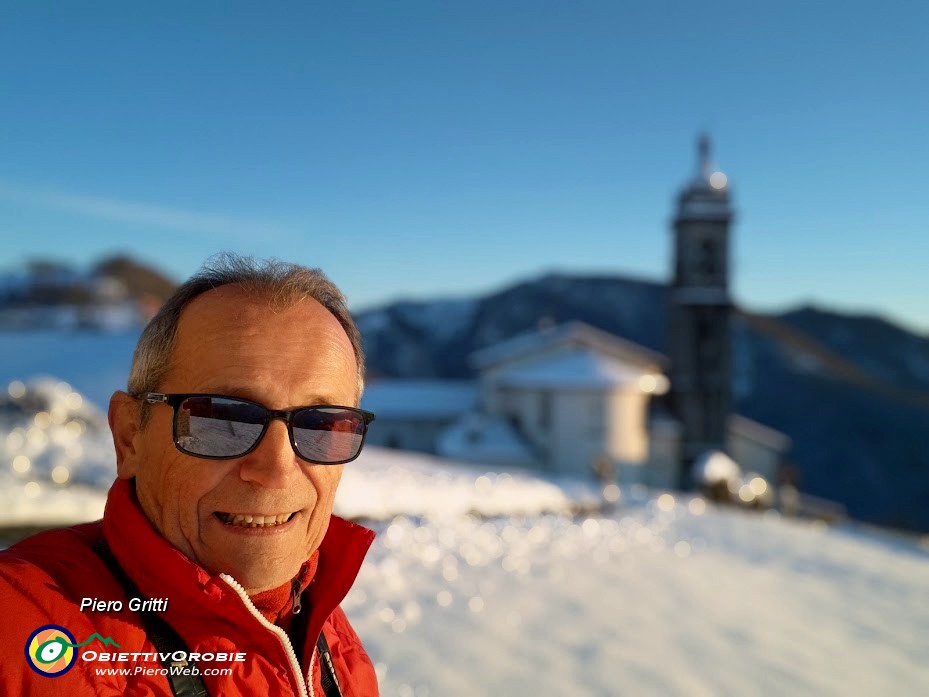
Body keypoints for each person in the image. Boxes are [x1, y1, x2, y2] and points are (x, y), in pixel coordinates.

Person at [0, 255, 380, 696]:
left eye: (320, 423)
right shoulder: (18, 623)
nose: (275, 470)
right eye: (221, 419)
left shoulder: (326, 632)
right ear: (130, 438)